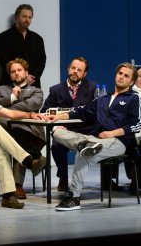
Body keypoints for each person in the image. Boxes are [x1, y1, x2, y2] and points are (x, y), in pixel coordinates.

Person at [45, 62, 141, 211]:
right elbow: (82, 111)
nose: (121, 77)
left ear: (131, 81)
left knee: (83, 154)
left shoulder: (135, 98)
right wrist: (59, 117)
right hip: (94, 139)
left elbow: (138, 124)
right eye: (120, 73)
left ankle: (74, 197)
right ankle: (83, 144)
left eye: (126, 76)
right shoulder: (103, 99)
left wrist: (112, 133)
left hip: (117, 141)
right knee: (57, 131)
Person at [0, 98, 47, 209]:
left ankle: (8, 196)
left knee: (1, 146)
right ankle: (29, 162)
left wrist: (30, 115)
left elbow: (9, 113)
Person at [0, 58, 45, 199]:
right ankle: (28, 167)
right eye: (13, 71)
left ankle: (16, 185)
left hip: (30, 132)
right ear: (10, 75)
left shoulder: (36, 91)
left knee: (11, 131)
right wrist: (12, 96)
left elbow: (30, 106)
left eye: (19, 70)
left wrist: (7, 109)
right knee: (1, 125)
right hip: (10, 132)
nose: (16, 73)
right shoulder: (0, 89)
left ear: (26, 73)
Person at [40, 56, 96, 192]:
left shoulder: (92, 87)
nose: (75, 71)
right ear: (68, 69)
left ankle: (108, 180)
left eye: (79, 70)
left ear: (84, 74)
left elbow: (97, 111)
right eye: (73, 68)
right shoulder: (56, 90)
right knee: (57, 145)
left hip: (85, 129)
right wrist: (56, 121)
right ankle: (63, 177)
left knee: (103, 141)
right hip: (64, 130)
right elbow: (44, 111)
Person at [0, 4, 46, 88]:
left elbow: (42, 61)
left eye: (30, 17)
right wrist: (24, 77)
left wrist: (32, 77)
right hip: (10, 86)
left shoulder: (38, 39)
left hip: (33, 85)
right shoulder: (3, 37)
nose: (27, 20)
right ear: (17, 17)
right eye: (24, 16)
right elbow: (4, 62)